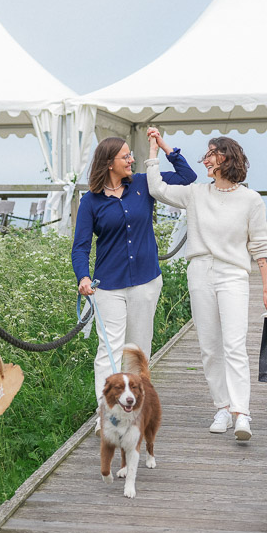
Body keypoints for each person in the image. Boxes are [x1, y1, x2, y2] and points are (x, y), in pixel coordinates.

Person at [145, 132, 267, 441]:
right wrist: (155, 149)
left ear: (226, 158)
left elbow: (260, 247)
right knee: (209, 346)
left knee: (234, 344)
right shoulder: (195, 194)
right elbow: (157, 188)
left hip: (233, 274)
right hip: (200, 272)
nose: (204, 160)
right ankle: (223, 407)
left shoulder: (251, 200)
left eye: (210, 154)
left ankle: (241, 413)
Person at [71, 131, 197, 432]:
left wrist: (163, 147)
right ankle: (106, 414)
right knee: (109, 350)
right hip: (108, 285)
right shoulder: (90, 201)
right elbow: (80, 247)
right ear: (109, 163)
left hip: (145, 281)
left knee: (139, 351)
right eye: (125, 156)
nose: (132, 159)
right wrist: (83, 276)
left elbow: (187, 177)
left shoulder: (143, 183)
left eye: (131, 154)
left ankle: (132, 412)